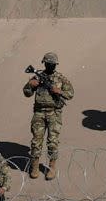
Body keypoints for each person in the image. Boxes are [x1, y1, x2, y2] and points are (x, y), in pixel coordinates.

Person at [23, 52, 74, 180]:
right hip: (39, 113)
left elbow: (71, 93)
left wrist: (59, 91)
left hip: (54, 113)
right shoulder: (38, 77)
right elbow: (26, 93)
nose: (50, 66)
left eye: (52, 64)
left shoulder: (60, 78)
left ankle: (51, 167)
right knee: (36, 141)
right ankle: (34, 166)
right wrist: (30, 85)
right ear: (44, 63)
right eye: (48, 64)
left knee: (53, 142)